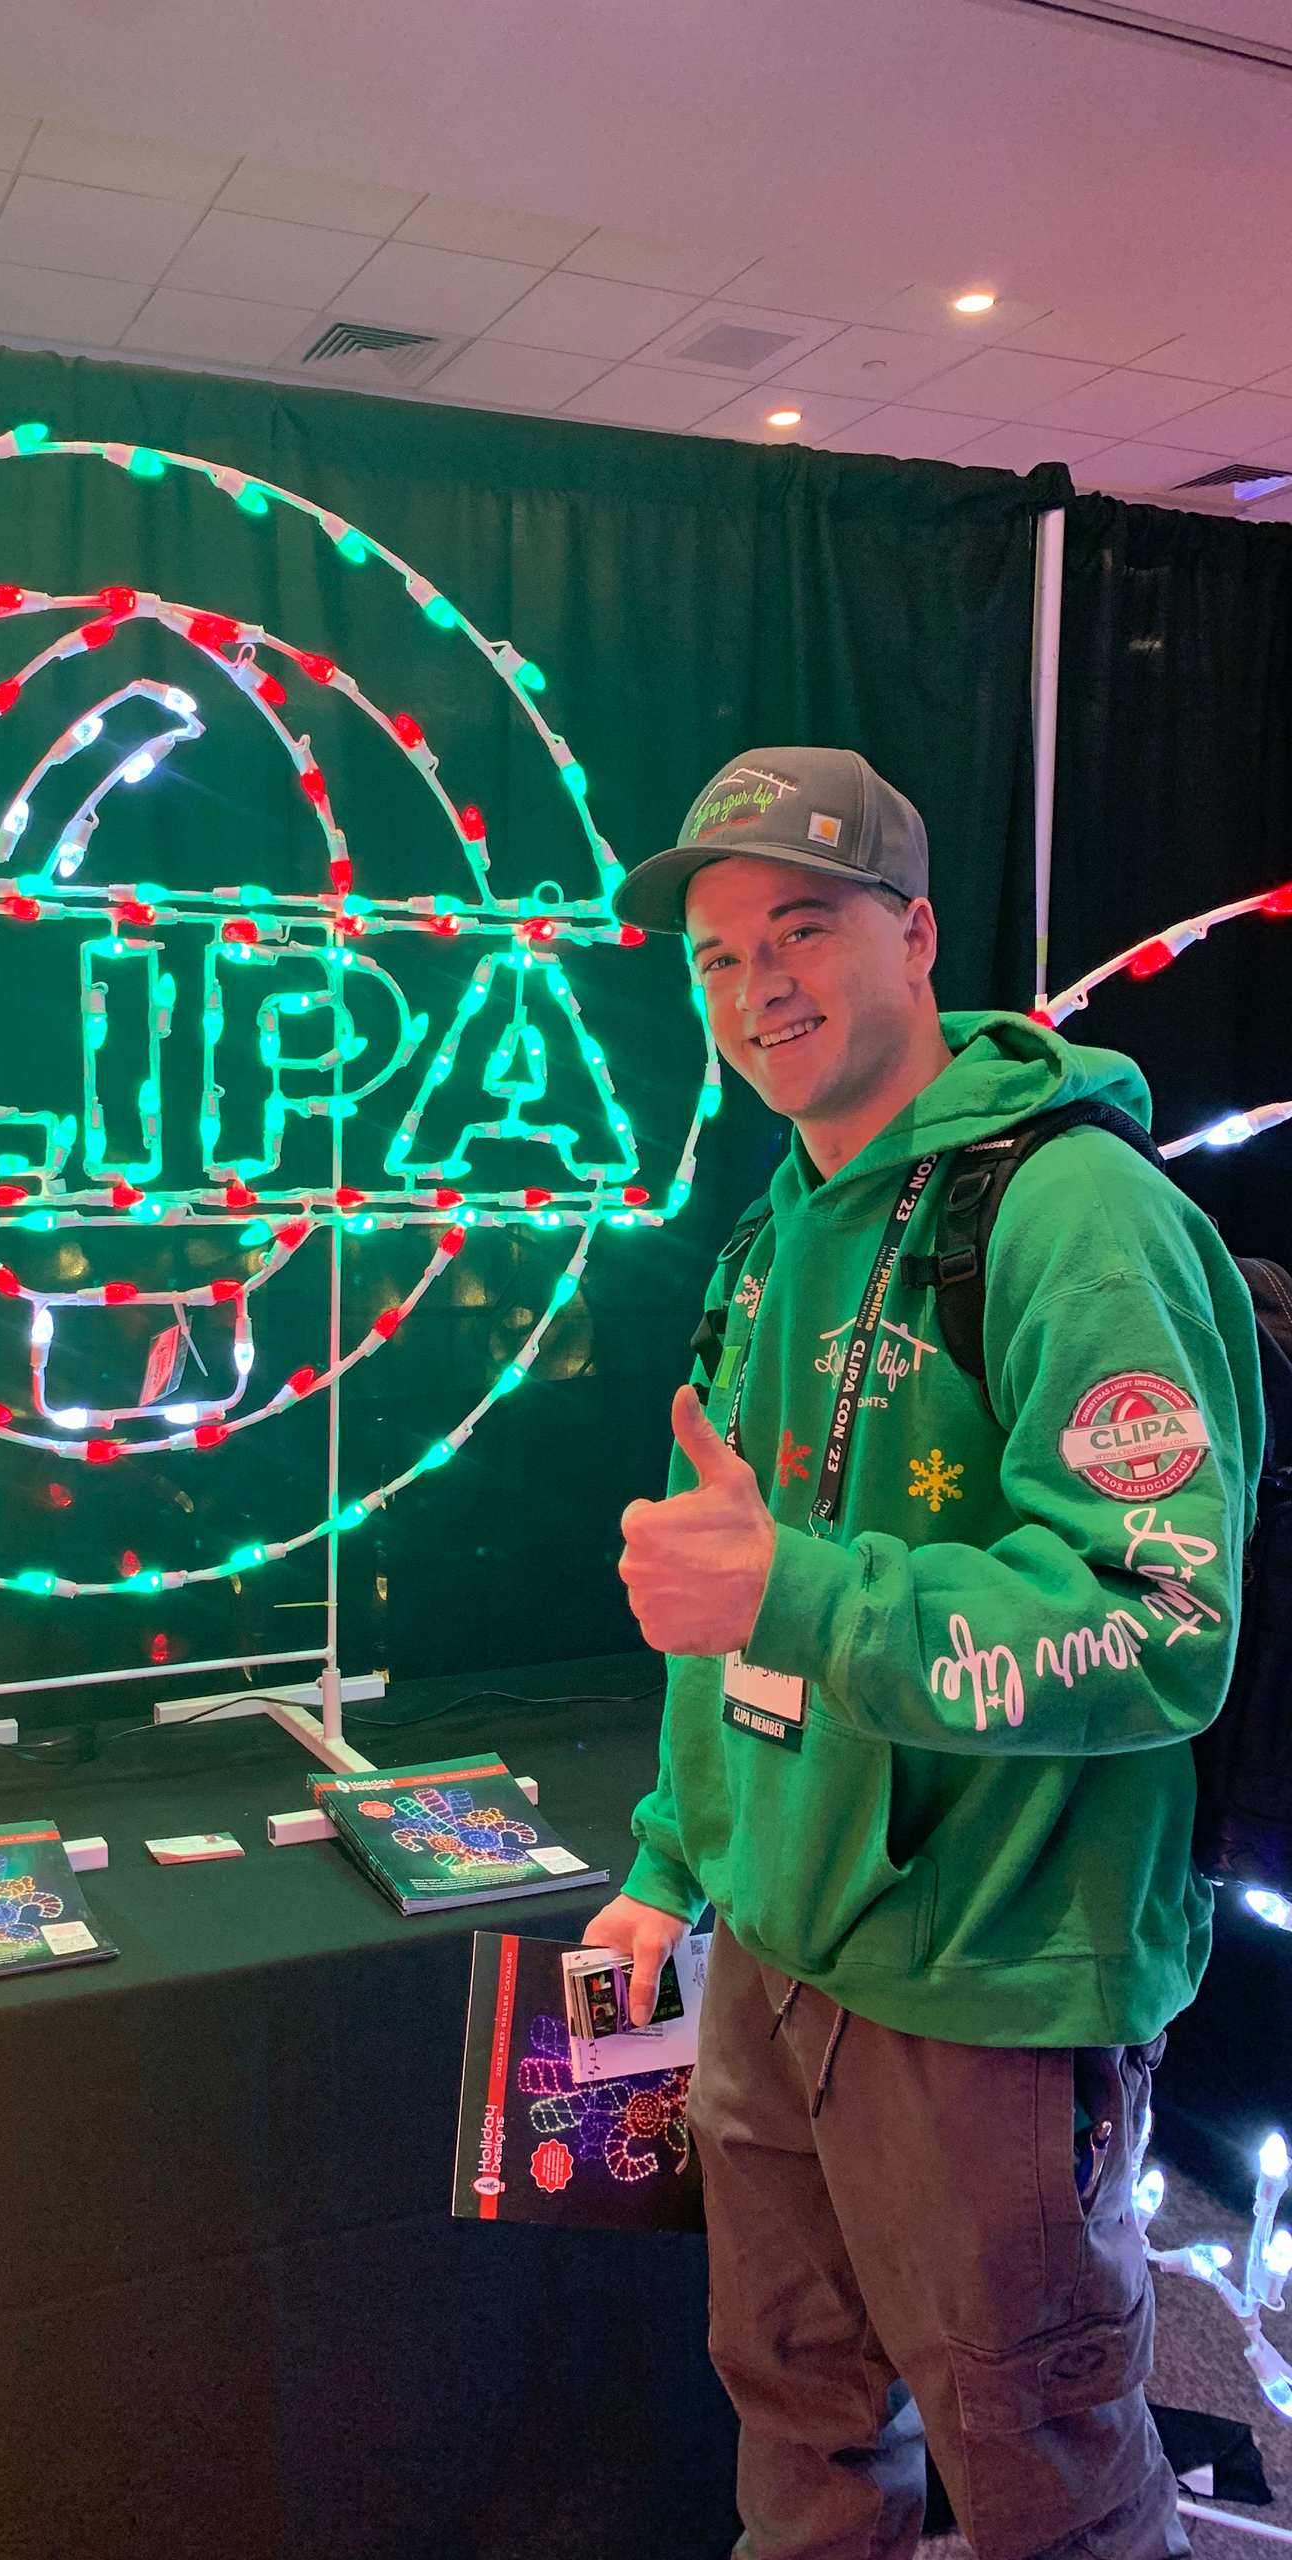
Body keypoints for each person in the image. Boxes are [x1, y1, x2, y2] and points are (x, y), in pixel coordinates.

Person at [583, 746, 1264, 2560]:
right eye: (717, 958)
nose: (757, 990)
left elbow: (1161, 1625)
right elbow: (722, 1607)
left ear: (920, 937)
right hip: (774, 1956)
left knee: (1043, 2469)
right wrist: (670, 1862)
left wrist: (797, 1595)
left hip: (995, 1986)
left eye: (802, 930)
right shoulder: (761, 1244)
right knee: (803, 2434)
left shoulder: (1074, 1214)